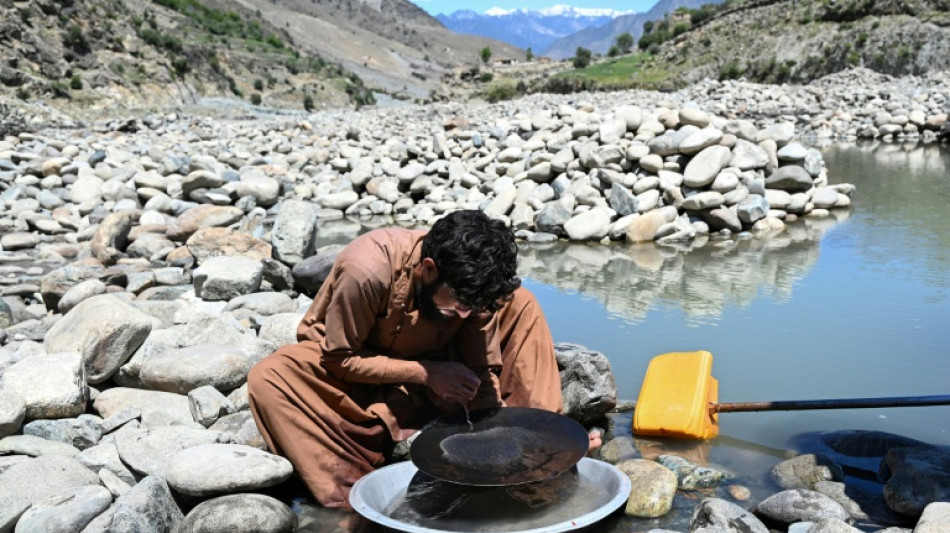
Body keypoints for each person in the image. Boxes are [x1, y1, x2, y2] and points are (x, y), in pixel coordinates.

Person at [247, 210, 570, 509]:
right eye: (458, 304)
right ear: (428, 269)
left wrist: (490, 430)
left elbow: (482, 364)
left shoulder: (472, 289)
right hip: (359, 375)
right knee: (270, 377)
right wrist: (425, 373)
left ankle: (541, 445)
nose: (466, 313)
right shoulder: (366, 270)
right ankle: (360, 497)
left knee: (522, 304)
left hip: (442, 362)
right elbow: (339, 358)